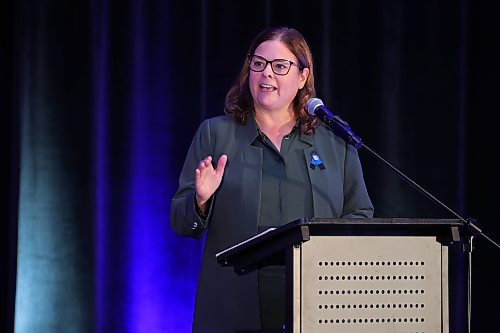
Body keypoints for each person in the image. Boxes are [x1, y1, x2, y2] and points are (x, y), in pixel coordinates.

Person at [170, 26, 374, 332]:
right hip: (234, 303)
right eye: (258, 64)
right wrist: (200, 201)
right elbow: (181, 223)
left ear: (303, 77)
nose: (267, 74)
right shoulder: (216, 134)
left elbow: (360, 216)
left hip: (317, 301)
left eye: (280, 66)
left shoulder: (335, 140)